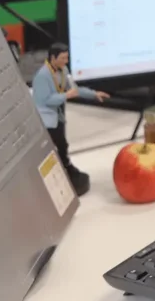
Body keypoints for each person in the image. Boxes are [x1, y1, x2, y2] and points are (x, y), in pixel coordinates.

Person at [31, 42, 109, 197]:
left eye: (67, 58)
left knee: (62, 144)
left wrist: (94, 94)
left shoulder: (63, 70)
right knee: (54, 146)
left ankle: (65, 166)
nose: (66, 61)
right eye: (63, 58)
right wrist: (66, 96)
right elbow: (43, 100)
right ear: (53, 58)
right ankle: (57, 171)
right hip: (46, 118)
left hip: (58, 115)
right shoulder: (42, 76)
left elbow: (75, 89)